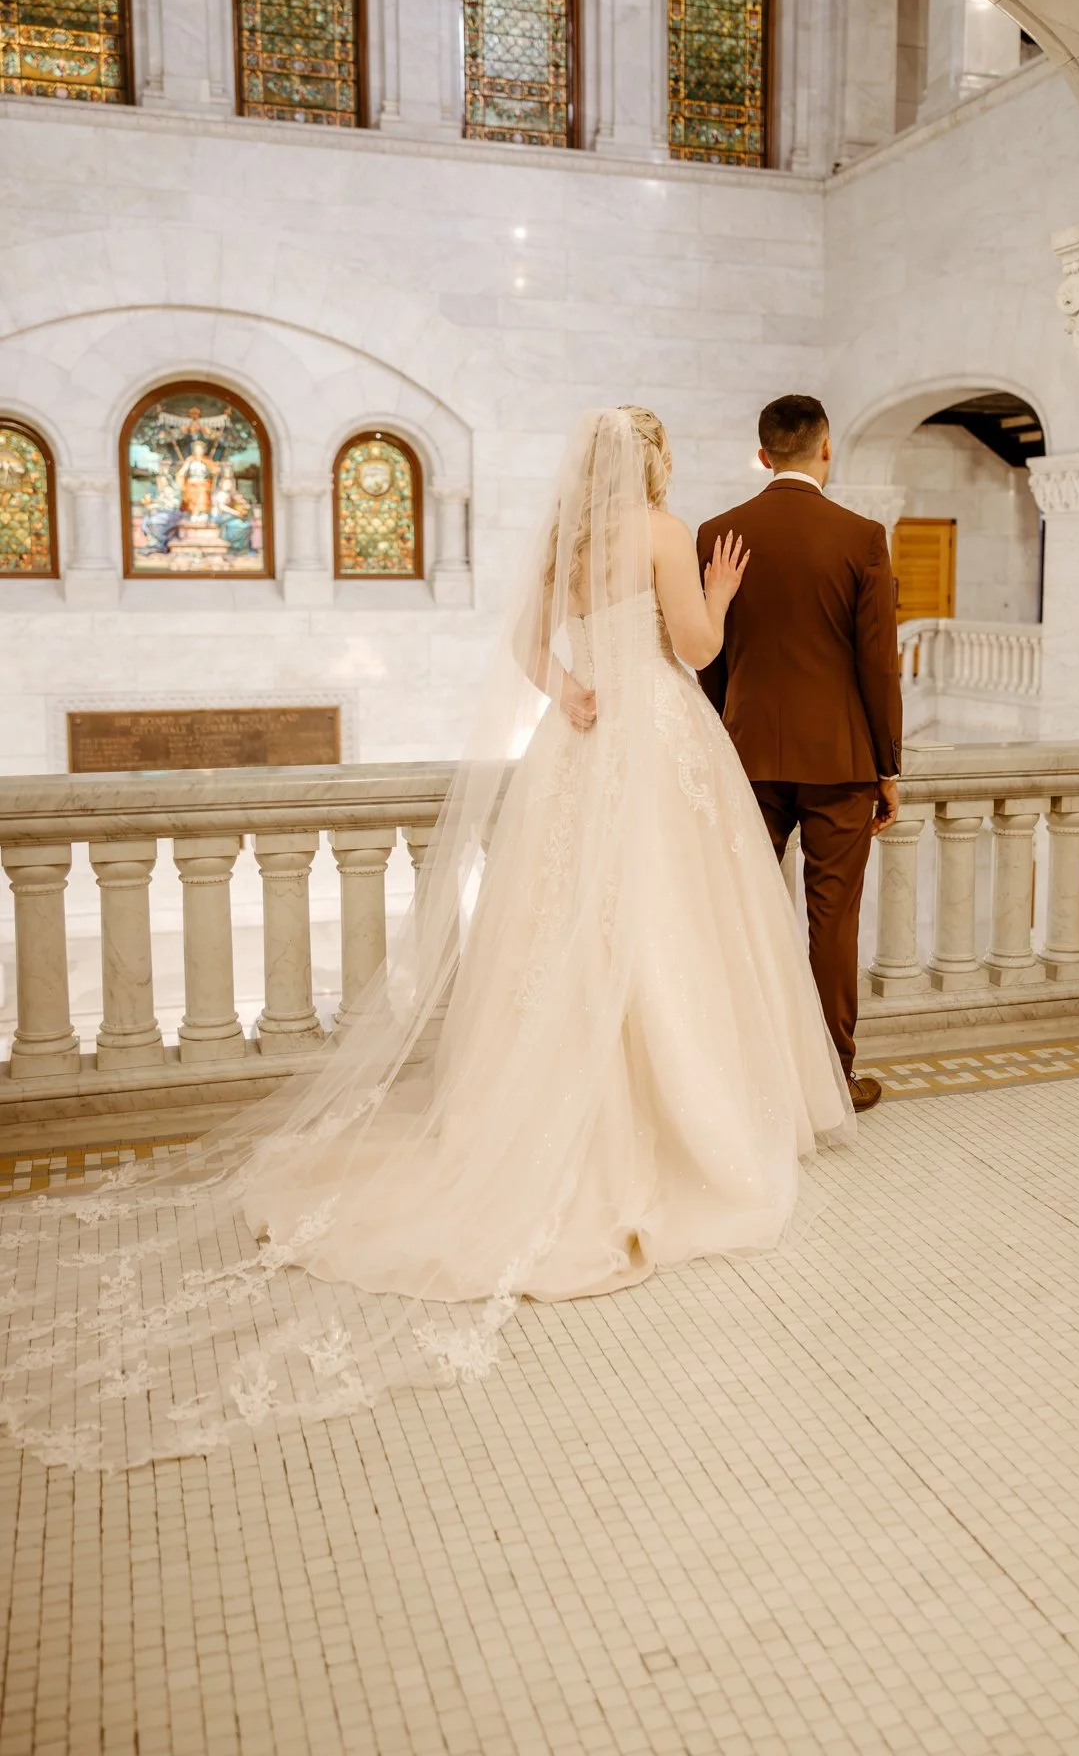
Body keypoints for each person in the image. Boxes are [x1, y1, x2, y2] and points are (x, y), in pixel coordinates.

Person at [0, 407, 854, 1472]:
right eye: (666, 451)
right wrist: (718, 598)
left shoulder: (569, 543)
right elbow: (695, 648)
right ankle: (683, 1118)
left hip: (578, 751)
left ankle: (558, 1103)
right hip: (660, 738)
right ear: (649, 460)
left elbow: (521, 647)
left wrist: (574, 691)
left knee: (568, 933)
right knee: (667, 926)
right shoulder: (660, 531)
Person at [697, 394, 903, 1112]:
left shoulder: (718, 533)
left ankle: (741, 1072)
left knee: (741, 915)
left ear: (762, 455)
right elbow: (878, 663)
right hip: (842, 762)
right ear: (825, 448)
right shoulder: (860, 535)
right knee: (833, 922)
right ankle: (830, 1080)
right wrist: (887, 767)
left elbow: (708, 658)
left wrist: (726, 731)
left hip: (744, 755)